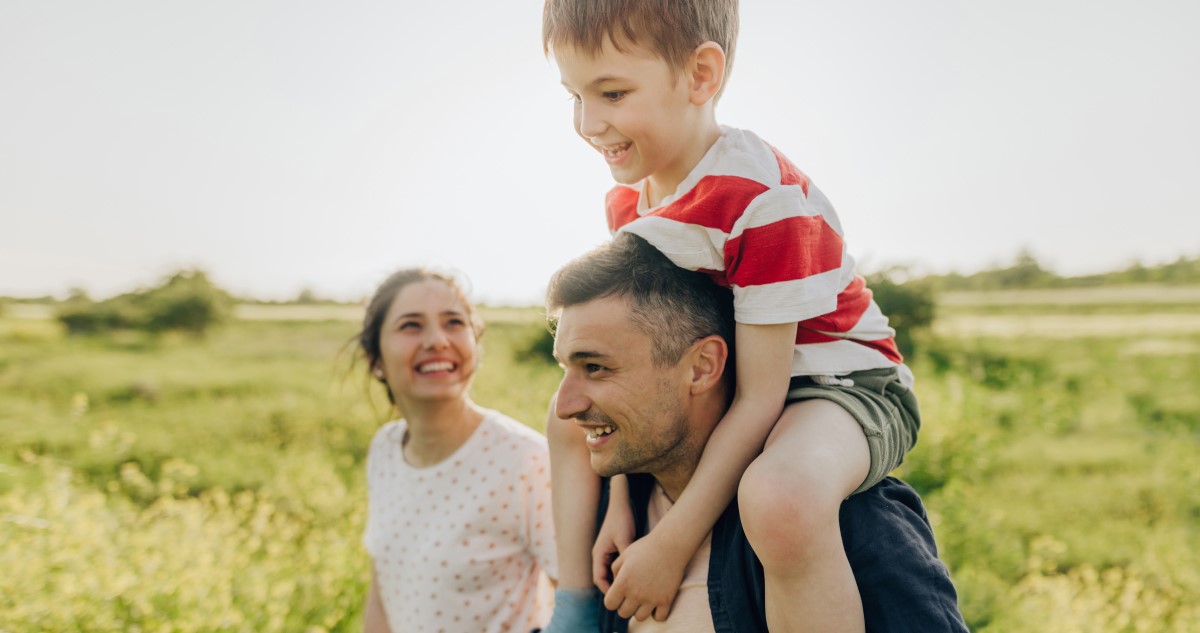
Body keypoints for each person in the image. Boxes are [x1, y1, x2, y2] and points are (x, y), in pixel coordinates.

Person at [540, 2, 922, 630]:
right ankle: (577, 605)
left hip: (841, 384)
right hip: (735, 379)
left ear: (700, 76)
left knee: (781, 499)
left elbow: (761, 398)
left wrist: (670, 545)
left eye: (611, 92)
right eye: (574, 96)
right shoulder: (630, 206)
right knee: (567, 423)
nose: (588, 122)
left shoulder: (759, 198)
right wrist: (620, 503)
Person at [544, 234, 967, 632]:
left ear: (702, 366)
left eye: (595, 367)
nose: (565, 406)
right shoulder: (604, 524)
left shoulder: (838, 523)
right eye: (566, 369)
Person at [357, 268, 557, 633]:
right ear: (376, 360)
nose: (436, 340)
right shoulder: (385, 450)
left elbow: (582, 604)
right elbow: (382, 591)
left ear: (475, 344)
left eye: (453, 322)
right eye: (411, 326)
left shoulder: (525, 459)